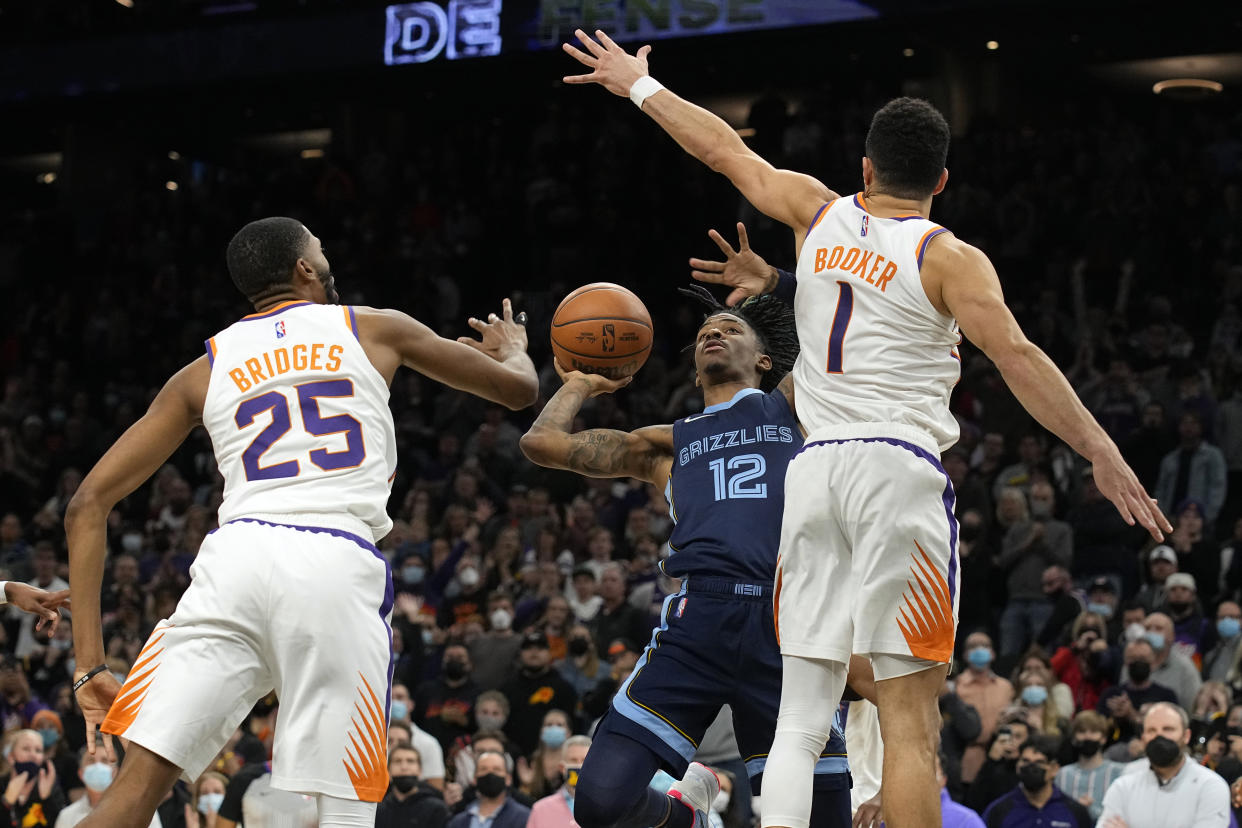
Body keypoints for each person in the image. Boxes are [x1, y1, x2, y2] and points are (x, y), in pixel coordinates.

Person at [559, 28, 1169, 828]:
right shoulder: (951, 258)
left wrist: (638, 84)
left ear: (866, 169)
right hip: (895, 473)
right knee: (908, 722)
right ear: (942, 181)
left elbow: (723, 151)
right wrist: (1100, 449)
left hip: (811, 477)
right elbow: (1017, 358)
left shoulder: (818, 214)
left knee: (801, 716)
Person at [64, 216, 539, 828]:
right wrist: (516, 351)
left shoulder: (203, 369)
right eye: (320, 247)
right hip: (333, 558)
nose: (325, 254)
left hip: (232, 561)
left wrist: (88, 668)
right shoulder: (372, 327)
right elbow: (518, 393)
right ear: (305, 269)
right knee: (342, 808)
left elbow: (86, 505)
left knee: (135, 791)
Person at [520, 278, 854, 828]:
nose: (713, 334)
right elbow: (543, 444)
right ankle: (691, 821)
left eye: (729, 328)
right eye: (703, 333)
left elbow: (842, 316)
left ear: (766, 360)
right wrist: (580, 383)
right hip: (700, 621)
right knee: (600, 802)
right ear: (695, 370)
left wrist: (776, 282)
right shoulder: (667, 443)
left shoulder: (793, 406)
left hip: (789, 625)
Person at [1098, 702, 1230, 827]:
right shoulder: (1124, 785)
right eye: (1151, 730)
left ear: (1186, 736)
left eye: (1168, 729)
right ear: (1143, 738)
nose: (1159, 736)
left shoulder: (1210, 786)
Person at [981, 734, 1091, 828]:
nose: (1031, 767)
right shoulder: (998, 811)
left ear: (1054, 769)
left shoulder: (1075, 812)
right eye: (1025, 761)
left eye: (1039, 762)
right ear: (1017, 766)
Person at [54, 749, 162, 828]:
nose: (97, 765)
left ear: (115, 772)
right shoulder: (66, 816)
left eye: (104, 760)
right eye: (91, 760)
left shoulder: (140, 810)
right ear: (81, 773)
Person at [1055, 710, 1124, 822]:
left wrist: (1089, 810)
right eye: (1082, 731)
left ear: (1103, 738)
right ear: (1074, 738)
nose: (1087, 736)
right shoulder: (1063, 774)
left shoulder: (1118, 772)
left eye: (1093, 731)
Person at [446, 751, 530, 828]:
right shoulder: (458, 822)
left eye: (496, 769)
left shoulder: (524, 818)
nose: (490, 774)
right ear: (474, 779)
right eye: (483, 769)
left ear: (508, 779)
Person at [375, 745, 450, 828]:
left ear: (420, 770)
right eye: (397, 761)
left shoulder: (437, 809)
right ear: (388, 770)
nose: (404, 767)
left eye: (410, 761)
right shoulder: (377, 811)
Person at [527, 735, 591, 828]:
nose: (579, 765)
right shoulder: (540, 809)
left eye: (585, 760)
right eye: (573, 760)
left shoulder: (608, 808)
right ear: (562, 768)